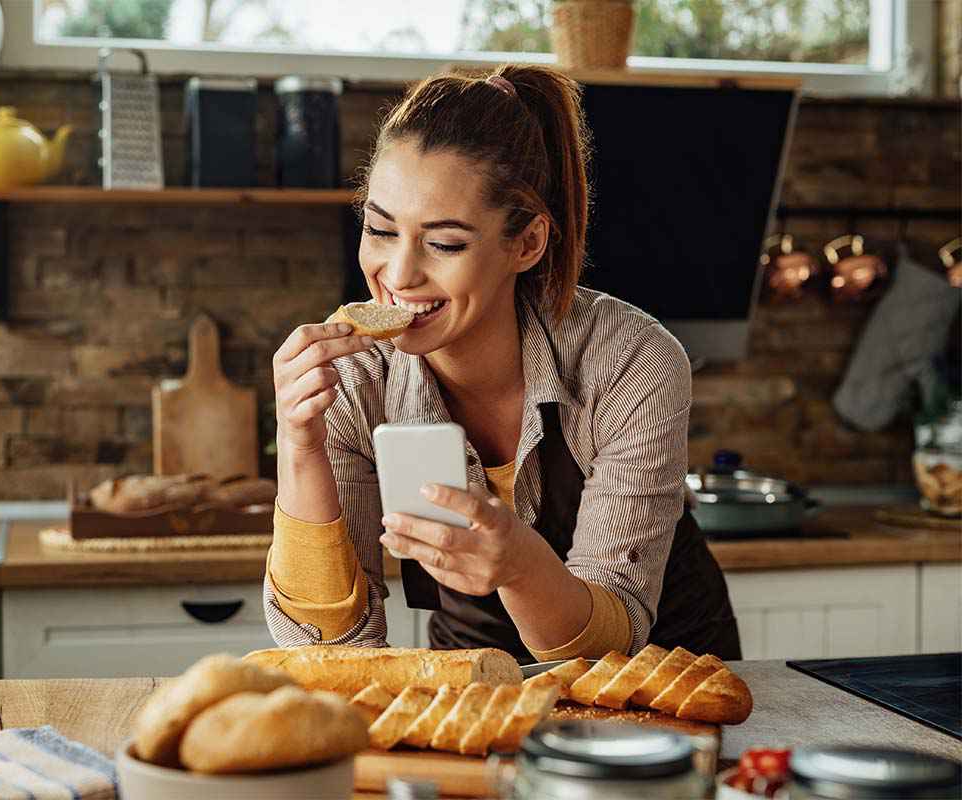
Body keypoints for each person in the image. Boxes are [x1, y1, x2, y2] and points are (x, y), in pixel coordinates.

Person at [264, 64, 740, 664]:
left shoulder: (630, 361)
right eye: (381, 230)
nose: (400, 275)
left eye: (444, 244)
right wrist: (300, 444)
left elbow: (610, 645)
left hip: (662, 679)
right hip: (477, 671)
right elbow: (329, 651)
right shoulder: (353, 381)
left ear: (527, 244)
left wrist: (519, 563)